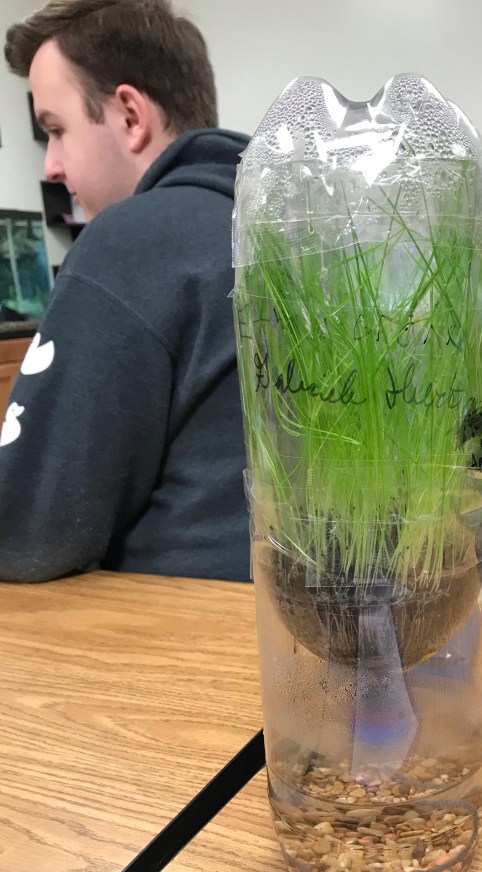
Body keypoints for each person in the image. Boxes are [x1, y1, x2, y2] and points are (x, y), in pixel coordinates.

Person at [0, 0, 251, 583]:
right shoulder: (292, 232)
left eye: (56, 130)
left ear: (131, 116)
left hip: (173, 621)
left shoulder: (132, 240)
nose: (51, 166)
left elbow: (22, 534)